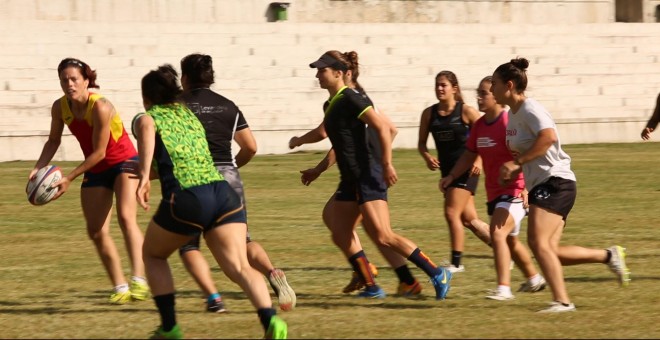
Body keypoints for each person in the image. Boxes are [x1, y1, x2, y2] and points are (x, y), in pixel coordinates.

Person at [134, 64, 287, 338]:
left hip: (189, 196)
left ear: (147, 99)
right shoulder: (188, 115)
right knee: (240, 266)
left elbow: (146, 127)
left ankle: (169, 327)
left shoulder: (150, 116)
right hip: (224, 193)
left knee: (153, 254)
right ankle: (271, 321)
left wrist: (144, 176)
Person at [308, 50, 451, 300]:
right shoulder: (331, 103)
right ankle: (371, 283)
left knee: (384, 235)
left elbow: (386, 128)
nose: (318, 74)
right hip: (350, 178)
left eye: (322, 70)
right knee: (340, 231)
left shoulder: (353, 98)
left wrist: (386, 163)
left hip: (367, 175)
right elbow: (338, 142)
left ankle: (437, 273)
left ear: (340, 73)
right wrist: (313, 163)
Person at [494, 57, 631, 313]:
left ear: (509, 85)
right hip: (540, 184)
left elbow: (548, 138)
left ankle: (563, 302)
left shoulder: (530, 108)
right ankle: (608, 256)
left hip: (556, 181)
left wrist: (517, 164)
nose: (491, 90)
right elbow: (524, 157)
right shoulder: (512, 117)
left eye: (495, 84)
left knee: (537, 243)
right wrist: (522, 183)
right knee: (550, 252)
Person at [178, 53, 296, 312]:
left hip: (194, 179)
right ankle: (271, 271)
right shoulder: (228, 105)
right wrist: (231, 167)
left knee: (190, 244)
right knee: (243, 241)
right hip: (228, 177)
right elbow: (250, 147)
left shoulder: (176, 105)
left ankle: (214, 299)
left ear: (184, 77)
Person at [29, 58, 148, 305]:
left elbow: (101, 152)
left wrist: (69, 177)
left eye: (74, 79)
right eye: (64, 80)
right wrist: (38, 167)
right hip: (97, 168)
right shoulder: (59, 107)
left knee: (126, 218)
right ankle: (120, 286)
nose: (69, 84)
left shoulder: (101, 106)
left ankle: (140, 279)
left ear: (86, 80)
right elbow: (53, 141)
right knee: (95, 230)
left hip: (124, 161)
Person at [440, 76, 546, 301]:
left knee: (497, 233)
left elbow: (527, 155)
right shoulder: (479, 126)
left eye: (484, 93)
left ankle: (503, 289)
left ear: (497, 97)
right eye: (478, 92)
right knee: (510, 241)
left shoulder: (510, 124)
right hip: (494, 193)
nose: (479, 97)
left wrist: (526, 187)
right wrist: (451, 176)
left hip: (516, 191)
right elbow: (469, 155)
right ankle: (534, 279)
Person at [417, 70, 491, 273]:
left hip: (467, 170)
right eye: (437, 85)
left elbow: (485, 137)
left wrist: (479, 160)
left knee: (452, 213)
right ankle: (504, 249)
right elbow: (421, 144)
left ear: (454, 89)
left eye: (444, 85)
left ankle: (456, 264)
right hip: (447, 172)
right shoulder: (429, 114)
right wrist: (427, 157)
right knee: (469, 220)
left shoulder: (466, 111)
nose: (440, 89)